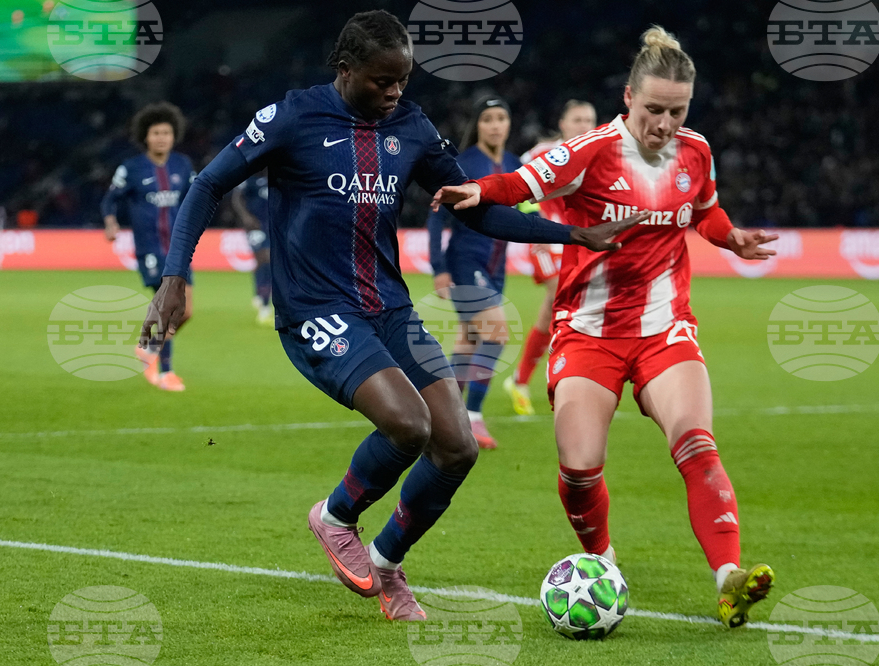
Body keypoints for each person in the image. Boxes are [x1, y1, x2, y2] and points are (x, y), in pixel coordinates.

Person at [138, 10, 646, 622]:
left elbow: (473, 208)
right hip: (316, 310)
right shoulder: (293, 116)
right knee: (409, 425)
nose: (395, 91)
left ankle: (386, 563)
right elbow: (206, 185)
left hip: (389, 308)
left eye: (403, 79)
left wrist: (573, 232)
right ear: (346, 70)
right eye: (382, 80)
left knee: (457, 446)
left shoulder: (409, 124)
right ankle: (334, 516)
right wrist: (173, 277)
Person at [431, 26, 779, 628]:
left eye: (677, 111)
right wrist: (477, 189)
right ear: (628, 98)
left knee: (696, 441)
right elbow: (521, 185)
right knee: (579, 465)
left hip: (664, 327)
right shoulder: (592, 150)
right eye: (653, 110)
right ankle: (602, 560)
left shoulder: (696, 151)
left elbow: (706, 210)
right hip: (587, 330)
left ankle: (728, 577)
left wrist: (732, 237)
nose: (665, 124)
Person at [427, 96, 521, 450]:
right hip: (466, 261)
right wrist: (439, 268)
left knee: (468, 344)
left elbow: (526, 206)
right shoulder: (464, 163)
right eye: (488, 119)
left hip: (496, 265)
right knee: (496, 333)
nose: (495, 125)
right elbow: (436, 216)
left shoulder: (514, 163)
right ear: (477, 125)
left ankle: (440, 415)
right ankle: (473, 416)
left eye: (501, 117)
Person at [503, 100, 598, 416]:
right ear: (562, 124)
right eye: (577, 119)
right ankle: (559, 377)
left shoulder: (600, 152)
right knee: (560, 294)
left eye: (589, 119)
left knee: (554, 311)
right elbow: (519, 182)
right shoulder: (544, 153)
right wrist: (535, 220)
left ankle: (521, 379)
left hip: (580, 238)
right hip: (546, 237)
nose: (584, 125)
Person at [103, 102, 195, 391]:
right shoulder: (130, 168)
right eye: (156, 132)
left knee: (187, 311)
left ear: (173, 135)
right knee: (170, 309)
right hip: (151, 249)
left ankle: (149, 347)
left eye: (166, 132)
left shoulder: (183, 165)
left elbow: (195, 199)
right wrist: (110, 222)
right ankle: (165, 372)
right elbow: (110, 200)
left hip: (180, 249)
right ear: (146, 136)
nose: (161, 138)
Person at [231, 171, 273, 327]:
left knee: (266, 263)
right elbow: (237, 198)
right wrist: (245, 217)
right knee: (265, 258)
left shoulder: (280, 175)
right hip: (255, 226)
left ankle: (260, 291)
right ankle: (264, 305)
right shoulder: (250, 178)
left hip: (274, 226)